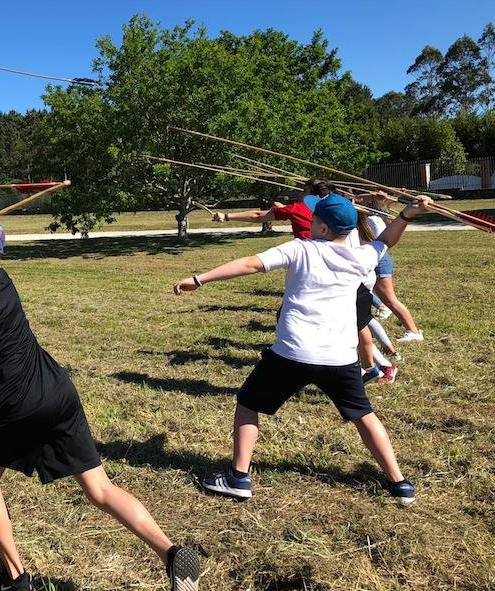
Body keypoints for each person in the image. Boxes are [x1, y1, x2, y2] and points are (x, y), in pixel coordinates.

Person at [0, 206, 201, 591]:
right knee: (100, 489)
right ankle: (172, 554)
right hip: (58, 389)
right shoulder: (2, 278)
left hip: (20, 406)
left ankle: (17, 579)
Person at [173, 194, 430, 505]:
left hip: (292, 353)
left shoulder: (299, 249)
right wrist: (408, 213)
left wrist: (199, 279)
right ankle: (399, 483)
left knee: (248, 403)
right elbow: (387, 239)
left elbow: (250, 264)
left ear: (322, 228)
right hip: (340, 357)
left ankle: (238, 478)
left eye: (314, 219)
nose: (310, 223)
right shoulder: (363, 256)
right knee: (364, 415)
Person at [357, 193, 424, 343]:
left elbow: (383, 241)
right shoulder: (365, 219)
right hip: (371, 260)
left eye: (361, 198)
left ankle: (413, 331)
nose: (358, 200)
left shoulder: (373, 220)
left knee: (390, 300)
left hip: (379, 260)